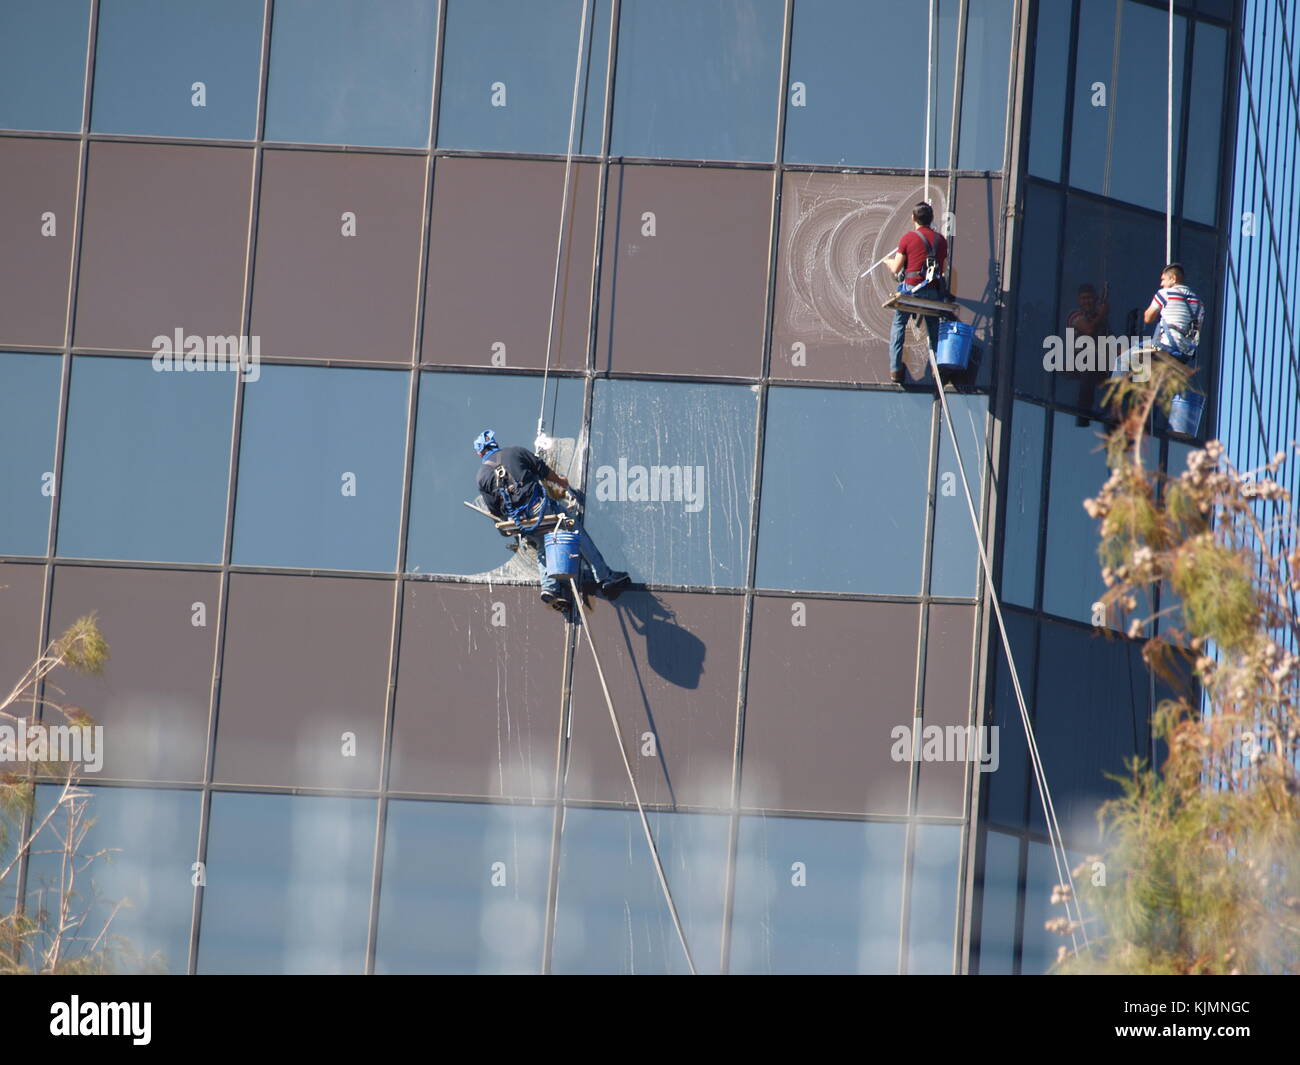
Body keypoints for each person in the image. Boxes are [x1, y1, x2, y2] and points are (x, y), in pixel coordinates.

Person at [473, 429, 629, 613]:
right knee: (575, 531)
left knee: (542, 545)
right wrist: (562, 483)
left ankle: (550, 588)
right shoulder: (515, 452)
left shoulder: (481, 477)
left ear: (480, 453)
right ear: (494, 444)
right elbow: (543, 471)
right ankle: (605, 576)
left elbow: (494, 510)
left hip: (519, 522)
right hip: (540, 510)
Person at [882, 201, 949, 384]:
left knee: (898, 325)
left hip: (911, 290)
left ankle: (896, 369)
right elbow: (943, 270)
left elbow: (896, 269)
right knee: (934, 329)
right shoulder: (941, 240)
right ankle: (937, 371)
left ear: (913, 218)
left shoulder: (908, 238)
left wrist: (888, 262)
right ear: (932, 219)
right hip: (933, 293)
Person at [1067, 282, 1111, 426]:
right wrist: (1101, 315)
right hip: (1076, 362)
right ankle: (1083, 417)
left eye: (1090, 298)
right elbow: (1088, 330)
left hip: (1095, 365)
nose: (1087, 301)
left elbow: (1111, 342)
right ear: (1079, 300)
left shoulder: (1098, 321)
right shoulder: (1075, 315)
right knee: (1088, 369)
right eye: (1084, 298)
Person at [1143, 263, 1204, 363]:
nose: (1161, 284)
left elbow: (1148, 318)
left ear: (1173, 279)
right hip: (1185, 355)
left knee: (1123, 360)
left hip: (1165, 347)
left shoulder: (1165, 293)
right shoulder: (1200, 304)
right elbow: (1198, 331)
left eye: (1163, 280)